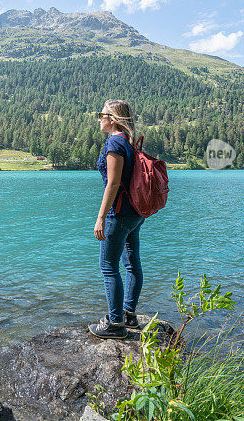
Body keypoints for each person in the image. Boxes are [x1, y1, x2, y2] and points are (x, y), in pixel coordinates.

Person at [89, 99, 144, 339]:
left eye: (101, 114)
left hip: (118, 214)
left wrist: (101, 217)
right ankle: (129, 314)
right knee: (132, 264)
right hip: (135, 214)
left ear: (113, 118)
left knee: (108, 266)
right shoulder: (129, 143)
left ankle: (116, 324)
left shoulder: (114, 142)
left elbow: (112, 184)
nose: (99, 118)